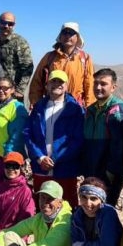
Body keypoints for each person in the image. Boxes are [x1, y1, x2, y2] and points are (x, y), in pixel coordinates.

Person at [24, 70, 85, 205]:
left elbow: (77, 140)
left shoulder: (75, 109)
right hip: (41, 168)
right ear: (47, 85)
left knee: (66, 205)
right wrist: (40, 158)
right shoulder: (38, 107)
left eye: (60, 82)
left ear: (66, 86)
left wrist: (55, 159)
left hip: (65, 169)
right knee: (42, 205)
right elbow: (28, 133)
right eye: (53, 81)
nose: (57, 84)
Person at [81, 68, 123, 206]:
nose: (98, 87)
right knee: (90, 208)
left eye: (103, 84)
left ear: (113, 87)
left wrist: (112, 172)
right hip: (91, 169)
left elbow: (121, 145)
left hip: (109, 173)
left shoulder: (119, 111)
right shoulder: (91, 110)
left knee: (105, 208)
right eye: (96, 83)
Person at [28, 22, 94, 109]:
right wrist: (36, 104)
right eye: (64, 32)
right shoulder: (49, 57)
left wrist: (90, 109)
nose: (67, 36)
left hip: (75, 108)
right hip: (51, 105)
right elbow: (37, 82)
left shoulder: (85, 58)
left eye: (71, 33)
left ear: (77, 37)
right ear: (60, 36)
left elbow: (90, 86)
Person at [0, 77, 29, 177]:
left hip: (7, 159)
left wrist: (9, 158)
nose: (1, 90)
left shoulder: (17, 108)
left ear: (12, 90)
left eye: (5, 88)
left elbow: (17, 137)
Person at [0, 12, 34, 101]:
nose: (6, 26)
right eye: (3, 22)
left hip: (12, 93)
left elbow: (28, 68)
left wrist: (20, 90)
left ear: (14, 25)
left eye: (10, 24)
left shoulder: (20, 42)